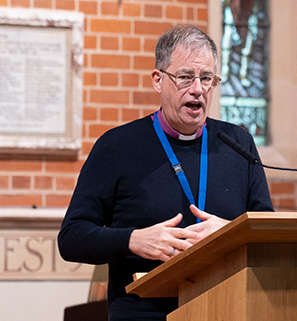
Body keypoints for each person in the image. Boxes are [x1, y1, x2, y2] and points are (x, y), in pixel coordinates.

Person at [57, 25, 273, 321]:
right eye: (185, 77)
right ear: (158, 80)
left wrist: (229, 233)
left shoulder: (238, 144)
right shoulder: (116, 146)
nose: (197, 89)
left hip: (227, 309)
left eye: (206, 78)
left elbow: (267, 235)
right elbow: (71, 238)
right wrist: (132, 240)